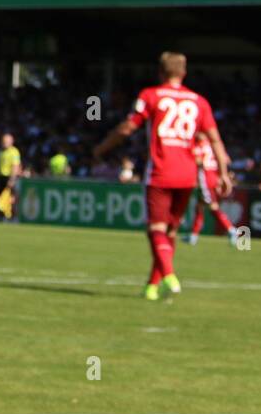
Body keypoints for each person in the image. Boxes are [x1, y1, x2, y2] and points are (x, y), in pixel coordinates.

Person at [94, 52, 233, 300]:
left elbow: (128, 127)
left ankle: (169, 276)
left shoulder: (151, 95)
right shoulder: (199, 101)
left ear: (160, 72)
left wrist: (102, 148)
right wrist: (223, 173)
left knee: (155, 229)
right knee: (170, 232)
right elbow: (216, 140)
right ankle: (152, 286)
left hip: (160, 171)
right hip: (188, 174)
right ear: (184, 73)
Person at [185, 129, 238, 246]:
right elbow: (226, 159)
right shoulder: (213, 145)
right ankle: (193, 236)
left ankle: (231, 229)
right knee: (199, 207)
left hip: (205, 180)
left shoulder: (198, 145)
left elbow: (198, 161)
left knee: (212, 207)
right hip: (213, 178)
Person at [0, 133, 21, 219]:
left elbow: (15, 166)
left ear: (11, 142)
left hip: (9, 177)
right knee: (0, 197)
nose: (4, 143)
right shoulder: (1, 152)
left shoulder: (14, 152)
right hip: (1, 177)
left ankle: (11, 216)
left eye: (6, 141)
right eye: (3, 141)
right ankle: (1, 216)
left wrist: (12, 179)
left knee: (10, 198)